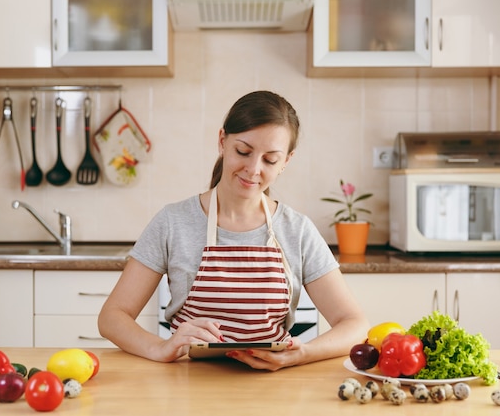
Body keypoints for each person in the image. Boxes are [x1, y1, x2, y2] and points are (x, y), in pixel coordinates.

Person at [98, 90, 369, 371]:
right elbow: (112, 317)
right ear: (222, 142)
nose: (253, 169)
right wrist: (160, 347)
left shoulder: (297, 230)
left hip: (274, 388)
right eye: (243, 151)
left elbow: (355, 324)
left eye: (270, 160)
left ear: (286, 161)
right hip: (188, 384)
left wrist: (303, 353)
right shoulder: (173, 221)